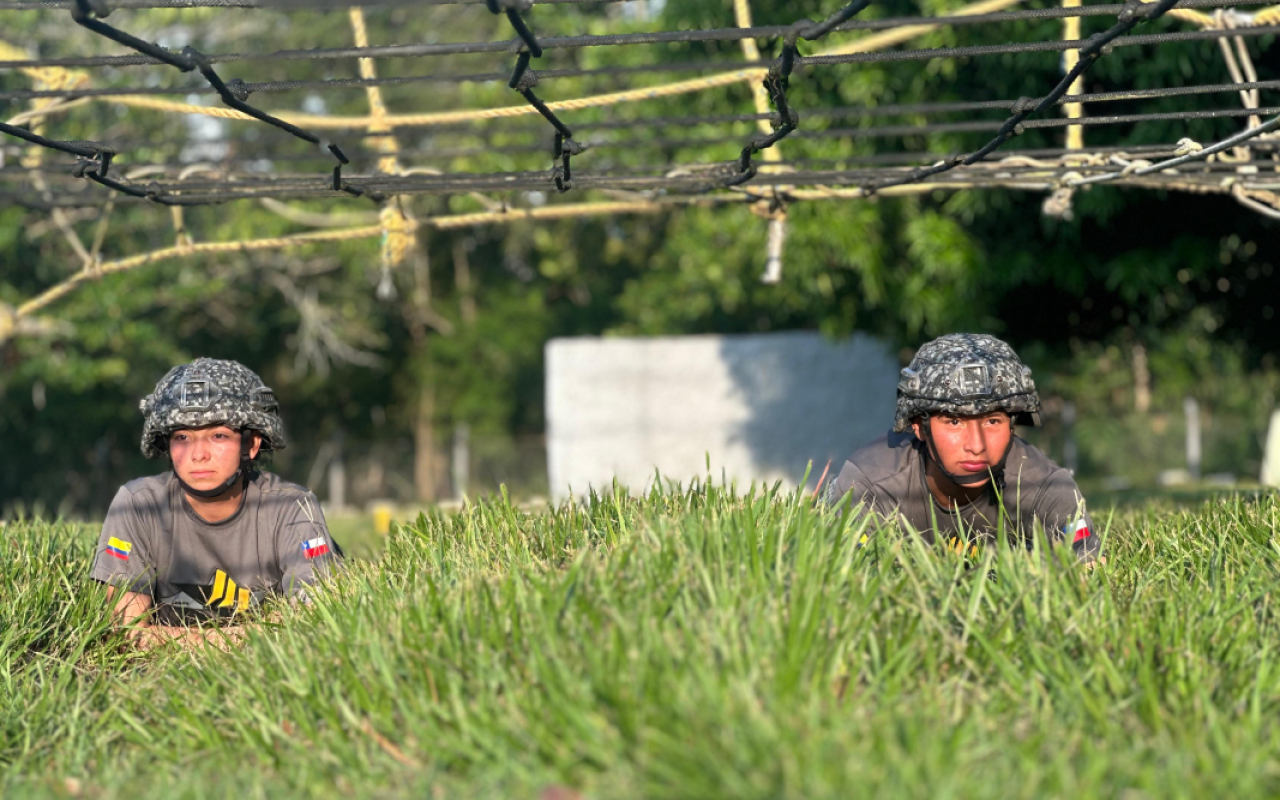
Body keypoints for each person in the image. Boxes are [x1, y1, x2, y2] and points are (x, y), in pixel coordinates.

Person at [91, 358, 343, 650]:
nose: (198, 454)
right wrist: (241, 639)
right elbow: (125, 632)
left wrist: (173, 639)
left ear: (251, 443)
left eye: (218, 435)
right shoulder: (140, 506)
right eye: (182, 436)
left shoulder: (292, 508)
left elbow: (314, 622)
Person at [825, 333, 1100, 561]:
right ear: (919, 425)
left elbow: (1086, 565)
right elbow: (840, 577)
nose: (977, 445)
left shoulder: (1046, 487)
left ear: (1012, 425)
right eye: (955, 421)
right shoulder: (870, 484)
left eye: (993, 421)